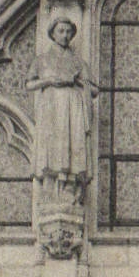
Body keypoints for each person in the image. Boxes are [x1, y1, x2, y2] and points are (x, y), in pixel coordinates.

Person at [27, 15, 97, 194]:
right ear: (53, 34)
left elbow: (94, 89)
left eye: (68, 32)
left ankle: (69, 184)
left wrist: (77, 82)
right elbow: (30, 84)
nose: (65, 35)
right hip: (51, 106)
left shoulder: (78, 62)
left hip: (72, 106)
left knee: (71, 143)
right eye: (61, 31)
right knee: (53, 144)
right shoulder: (42, 60)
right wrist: (48, 80)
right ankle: (52, 184)